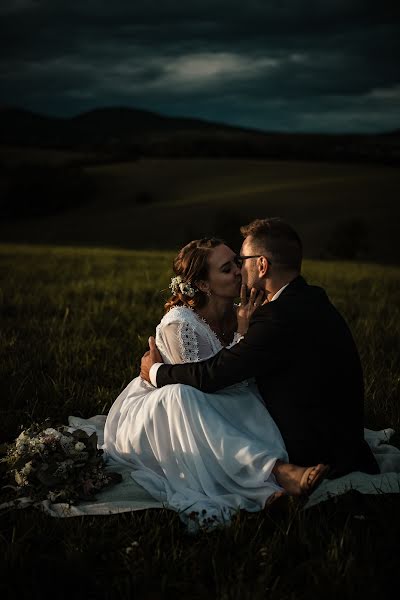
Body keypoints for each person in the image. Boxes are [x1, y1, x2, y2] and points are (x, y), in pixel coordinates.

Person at [104, 237, 328, 528]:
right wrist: (243, 336)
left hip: (212, 399)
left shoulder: (241, 312)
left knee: (248, 400)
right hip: (167, 416)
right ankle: (278, 474)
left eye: (237, 262)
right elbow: (202, 387)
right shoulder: (179, 324)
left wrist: (244, 329)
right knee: (182, 397)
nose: (238, 270)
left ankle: (265, 491)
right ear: (205, 285)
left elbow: (235, 376)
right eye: (226, 268)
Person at [141, 219, 379, 479]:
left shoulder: (276, 317)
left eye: (241, 260)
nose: (239, 270)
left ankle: (279, 472)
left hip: (313, 447)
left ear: (262, 265)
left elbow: (213, 375)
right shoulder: (311, 296)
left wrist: (155, 371)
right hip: (339, 434)